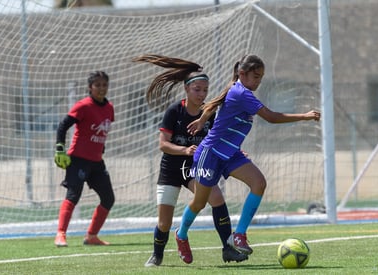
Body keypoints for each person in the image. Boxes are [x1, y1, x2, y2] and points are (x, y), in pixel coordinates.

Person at [175, 54, 321, 263]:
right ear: (242, 74)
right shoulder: (241, 93)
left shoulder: (236, 89)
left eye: (260, 78)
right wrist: (304, 116)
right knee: (199, 203)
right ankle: (181, 235)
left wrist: (202, 119)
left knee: (258, 183)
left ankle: (240, 234)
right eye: (255, 77)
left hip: (231, 153)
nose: (258, 82)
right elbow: (271, 117)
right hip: (211, 154)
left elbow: (213, 104)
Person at [132, 54, 248, 266]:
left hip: (195, 167)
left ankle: (227, 248)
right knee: (164, 222)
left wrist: (237, 153)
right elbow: (163, 144)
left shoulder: (209, 113)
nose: (202, 94)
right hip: (171, 169)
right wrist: (185, 150)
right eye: (197, 90)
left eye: (205, 90)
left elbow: (220, 138)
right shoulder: (174, 111)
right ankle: (157, 255)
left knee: (217, 197)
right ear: (186, 89)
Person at [54, 71, 115, 247]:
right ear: (90, 87)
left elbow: (101, 132)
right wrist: (60, 149)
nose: (101, 88)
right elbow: (63, 125)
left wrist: (100, 149)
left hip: (96, 162)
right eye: (98, 85)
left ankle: (91, 236)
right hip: (78, 160)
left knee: (108, 198)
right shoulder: (83, 106)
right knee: (73, 195)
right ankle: (60, 234)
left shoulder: (109, 108)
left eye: (104, 85)